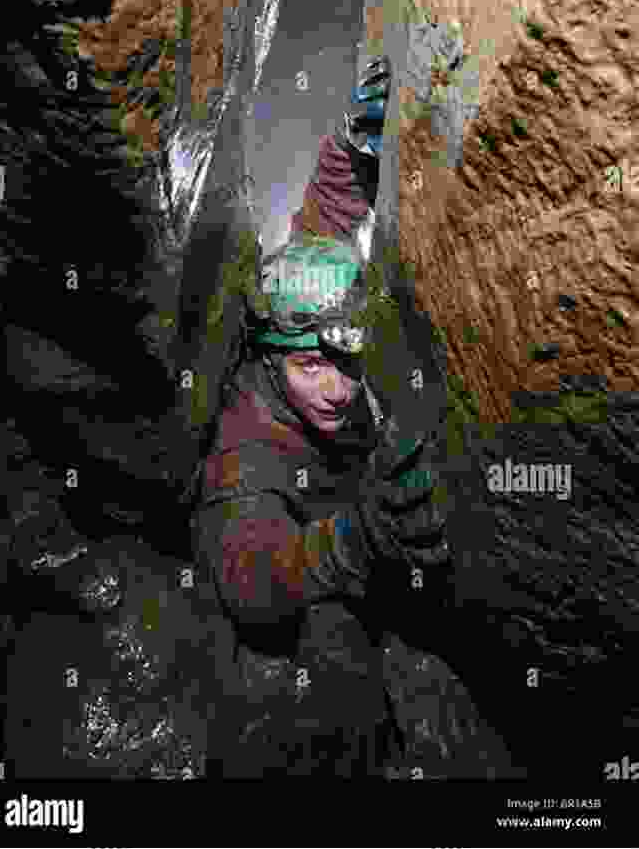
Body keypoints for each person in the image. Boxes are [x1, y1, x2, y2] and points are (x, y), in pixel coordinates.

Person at [191, 57, 455, 777]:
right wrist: (358, 538)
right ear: (273, 362)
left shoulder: (308, 291)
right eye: (313, 367)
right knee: (338, 673)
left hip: (342, 493)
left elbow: (326, 220)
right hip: (309, 533)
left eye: (349, 360)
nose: (339, 388)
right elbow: (250, 585)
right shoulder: (249, 440)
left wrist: (352, 142)